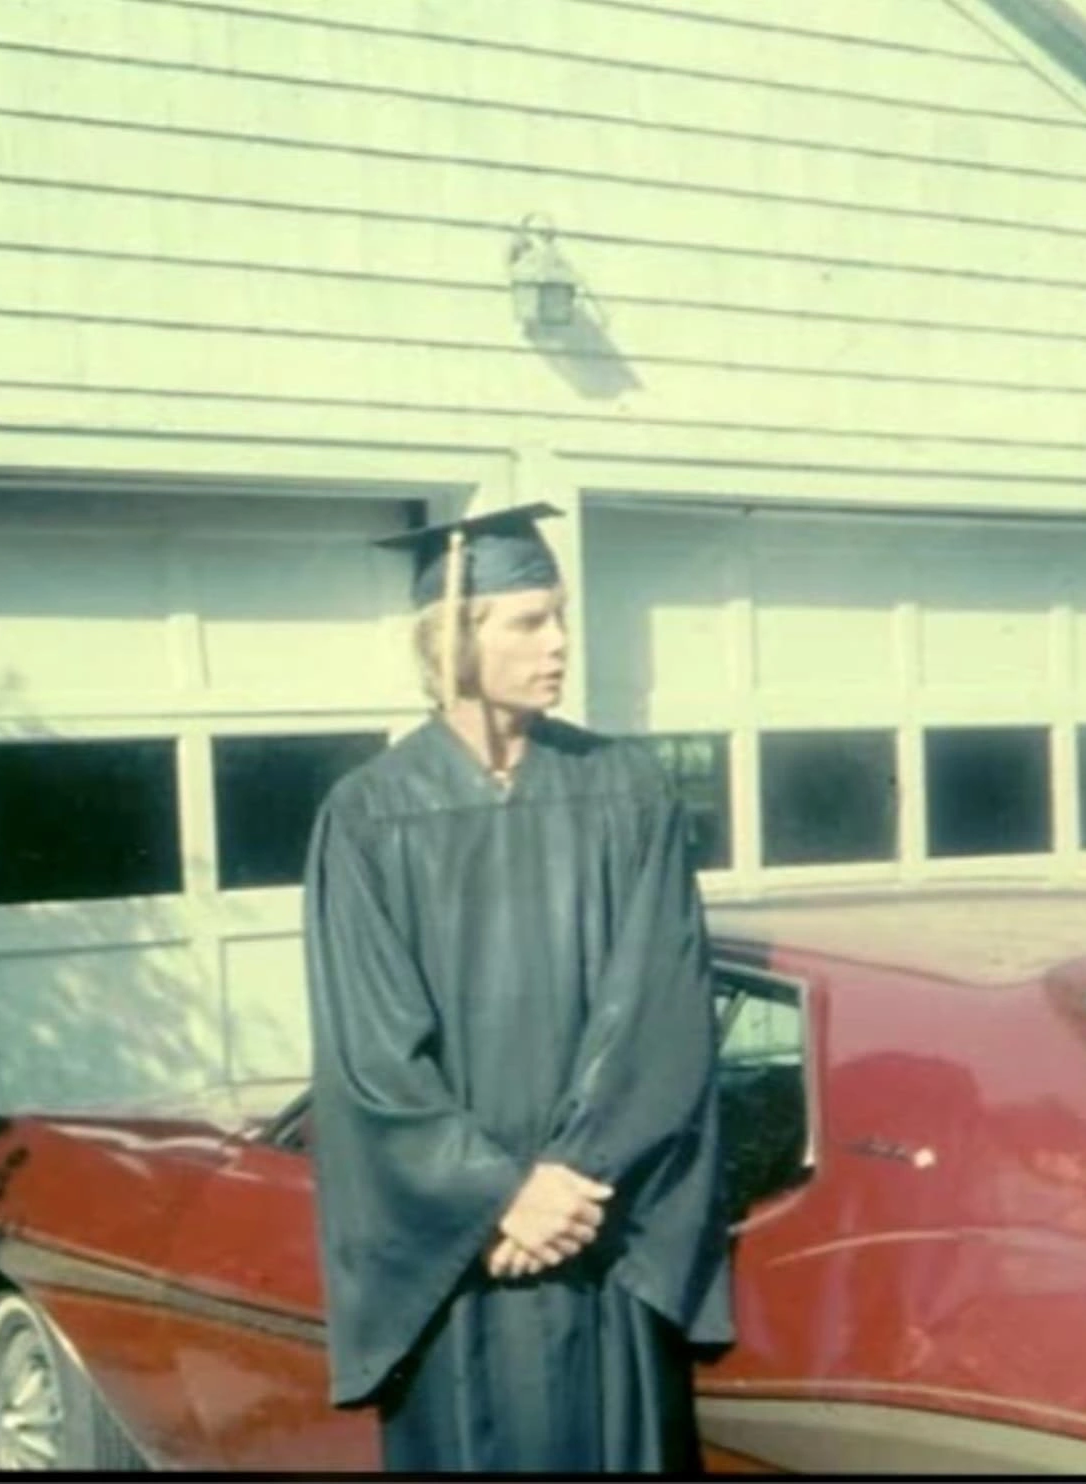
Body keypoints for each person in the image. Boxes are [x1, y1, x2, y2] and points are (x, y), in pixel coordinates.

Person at [301, 502, 733, 1472]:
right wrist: (500, 1195)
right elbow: (370, 1054)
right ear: (454, 635)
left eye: (561, 615)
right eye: (529, 620)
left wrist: (563, 1188)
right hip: (465, 1260)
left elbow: (659, 1008)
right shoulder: (368, 815)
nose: (561, 643)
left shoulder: (627, 788)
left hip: (603, 1236)